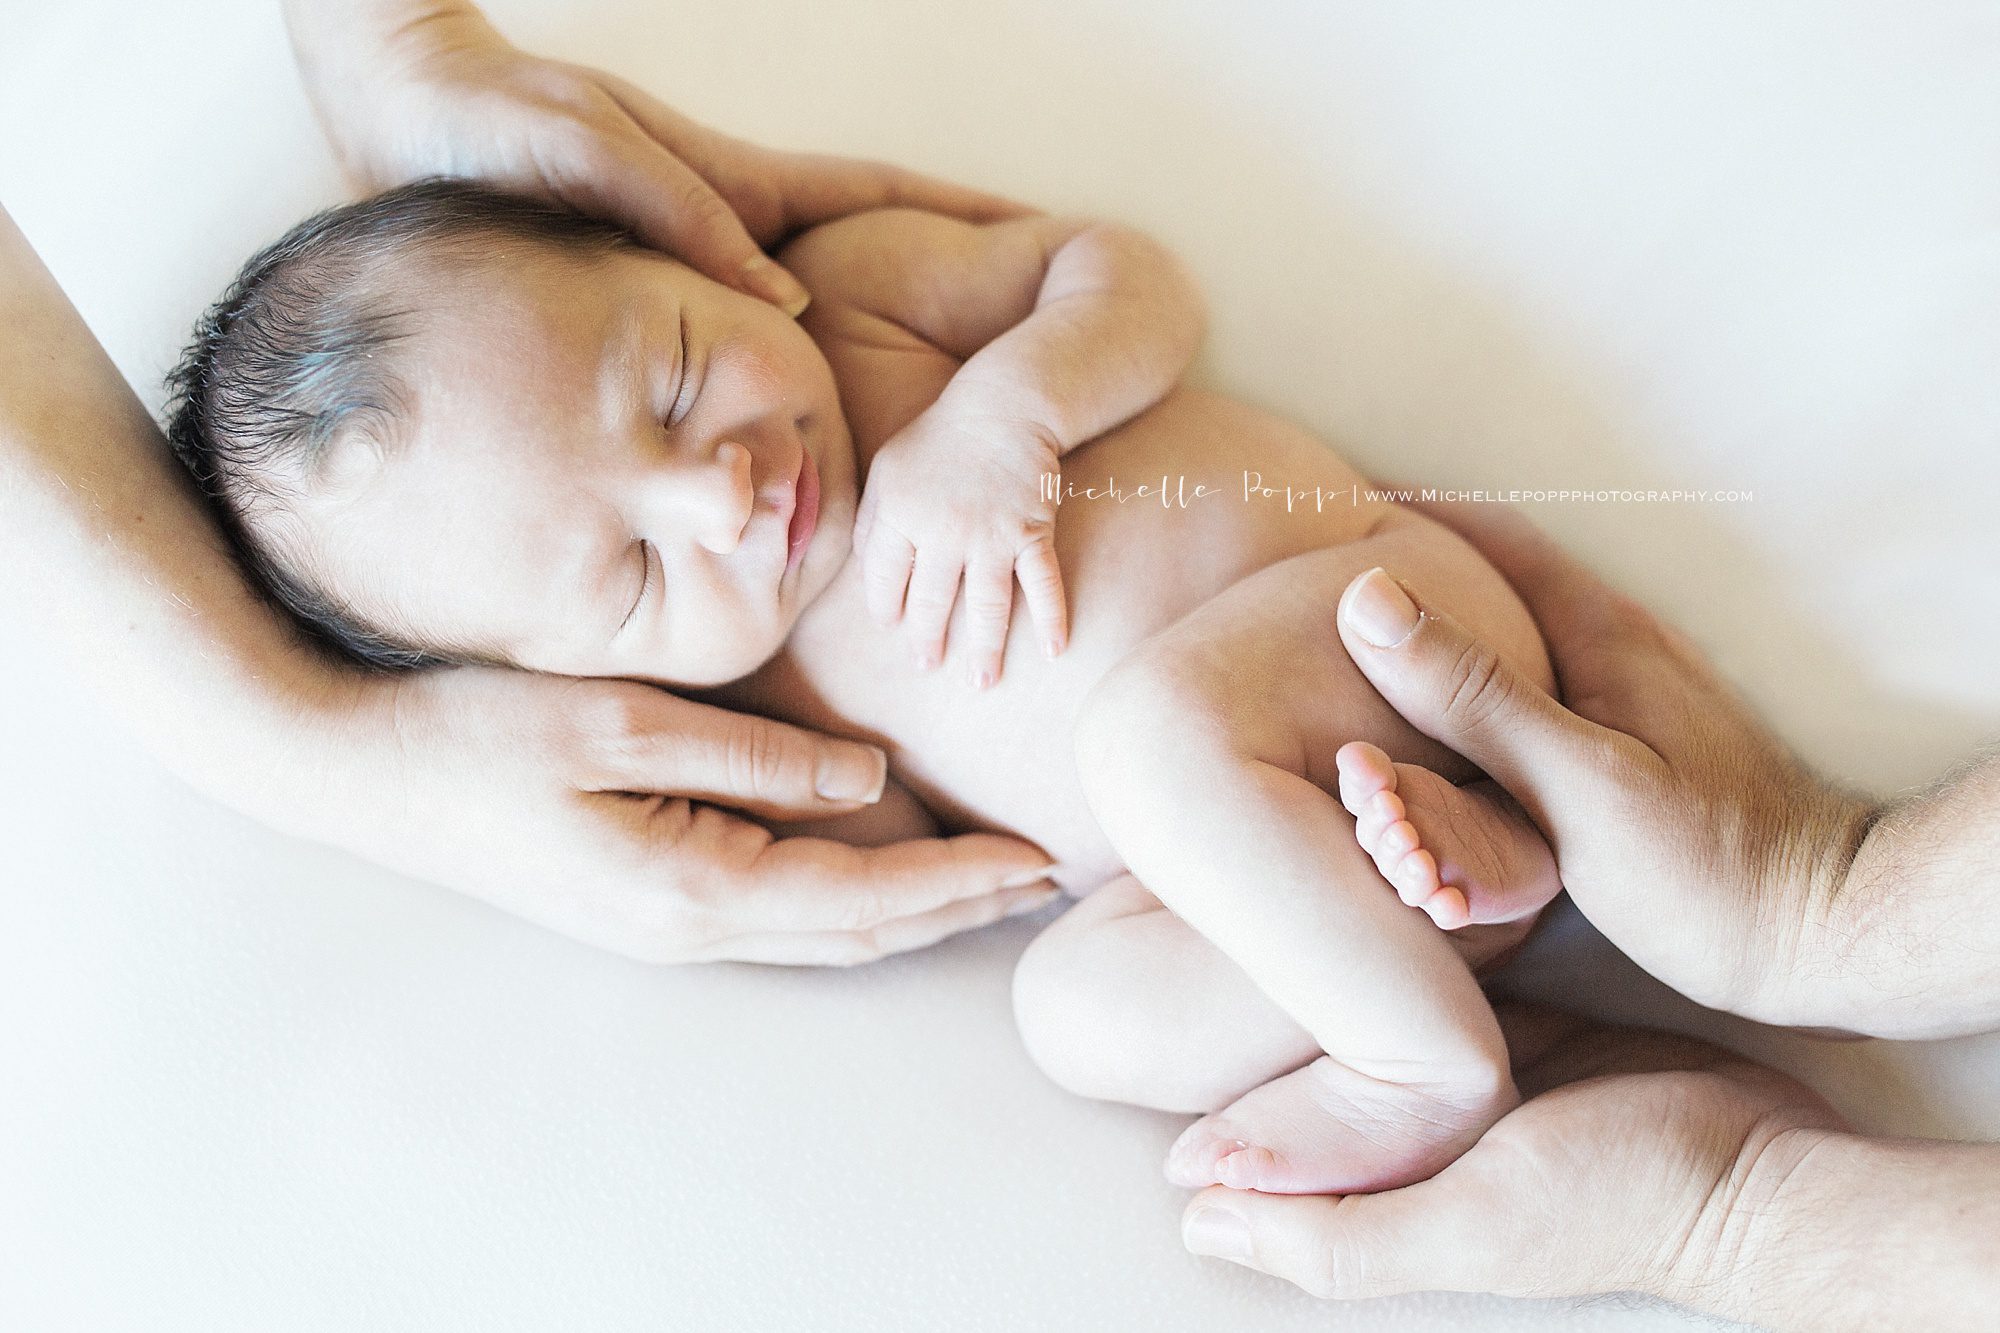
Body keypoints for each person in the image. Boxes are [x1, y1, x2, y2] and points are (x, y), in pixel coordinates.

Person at [0, 0, 1058, 969]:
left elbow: (1096, 270)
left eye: (674, 381)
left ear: (663, 253)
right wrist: (315, 743)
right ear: (554, 678)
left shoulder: (860, 309)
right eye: (634, 578)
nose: (724, 499)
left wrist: (403, 41)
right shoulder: (751, 723)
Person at [1179, 501, 2000, 1326]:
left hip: (1274, 665)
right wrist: (1818, 914)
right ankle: (1461, 930)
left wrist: (1730, 1213)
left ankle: (1423, 1044)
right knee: (1066, 1010)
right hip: (1175, 859)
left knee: (1156, 732)